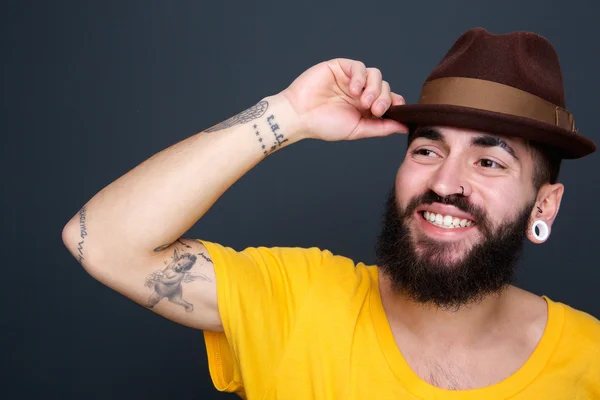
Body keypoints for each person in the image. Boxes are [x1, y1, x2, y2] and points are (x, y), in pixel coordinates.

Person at [62, 27, 600, 399]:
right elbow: (101, 240)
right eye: (426, 150)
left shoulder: (590, 360)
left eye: (488, 160)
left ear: (544, 204)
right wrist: (289, 114)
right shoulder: (300, 302)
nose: (443, 182)